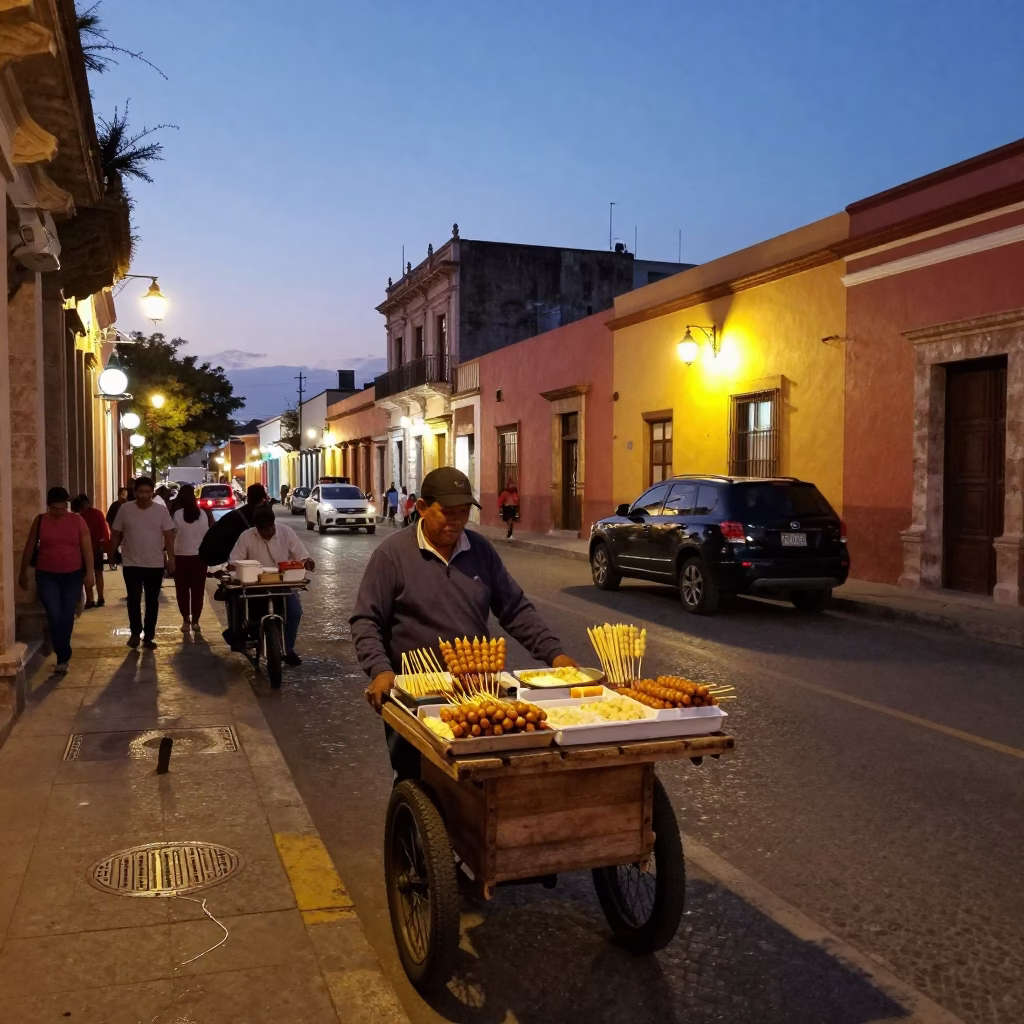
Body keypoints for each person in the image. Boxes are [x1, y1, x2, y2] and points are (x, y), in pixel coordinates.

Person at [352, 467, 578, 779]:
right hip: (415, 693)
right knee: (414, 779)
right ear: (421, 508)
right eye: (447, 512)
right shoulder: (392, 555)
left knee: (477, 776)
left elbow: (514, 608)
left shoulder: (481, 550)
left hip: (476, 688)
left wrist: (555, 655)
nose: (456, 521)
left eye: (463, 512)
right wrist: (380, 670)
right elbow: (365, 619)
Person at [18, 487, 94, 674]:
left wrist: (90, 573)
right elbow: (29, 547)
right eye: (55, 508)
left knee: (67, 614)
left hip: (72, 574)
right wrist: (22, 572)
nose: (59, 512)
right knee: (53, 612)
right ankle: (62, 650)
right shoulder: (41, 521)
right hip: (46, 574)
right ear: (48, 506)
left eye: (62, 508)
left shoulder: (77, 520)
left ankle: (62, 657)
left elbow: (87, 548)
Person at [228, 505, 315, 665]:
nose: (268, 533)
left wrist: (307, 562)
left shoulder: (286, 532)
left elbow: (301, 554)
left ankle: (287, 649)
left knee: (295, 612)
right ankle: (244, 638)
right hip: (255, 586)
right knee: (243, 613)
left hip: (283, 584)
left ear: (274, 523)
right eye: (264, 530)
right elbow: (234, 560)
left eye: (270, 528)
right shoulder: (246, 536)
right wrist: (234, 566)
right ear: (256, 528)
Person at [109, 476, 175, 649]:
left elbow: (168, 536)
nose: (144, 495)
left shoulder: (161, 511)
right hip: (131, 562)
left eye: (148, 492)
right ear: (135, 492)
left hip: (155, 563)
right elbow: (116, 533)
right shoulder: (125, 510)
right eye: (140, 492)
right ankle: (135, 633)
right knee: (134, 599)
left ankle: (149, 636)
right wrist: (111, 552)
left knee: (152, 600)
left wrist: (171, 558)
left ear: (152, 492)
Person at [171, 484, 213, 633]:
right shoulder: (204, 514)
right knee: (198, 591)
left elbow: (172, 535)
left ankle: (185, 620)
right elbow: (209, 535)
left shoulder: (177, 515)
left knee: (182, 591)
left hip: (180, 557)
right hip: (199, 559)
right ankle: (196, 621)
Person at [198, 483, 269, 567]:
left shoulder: (236, 515)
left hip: (209, 554)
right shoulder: (255, 516)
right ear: (262, 500)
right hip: (220, 557)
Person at [71, 493, 110, 607]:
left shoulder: (83, 515)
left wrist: (105, 543)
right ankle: (93, 598)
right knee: (93, 573)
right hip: (90, 547)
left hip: (93, 546)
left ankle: (96, 598)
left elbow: (104, 529)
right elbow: (104, 530)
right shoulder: (89, 514)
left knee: (94, 573)